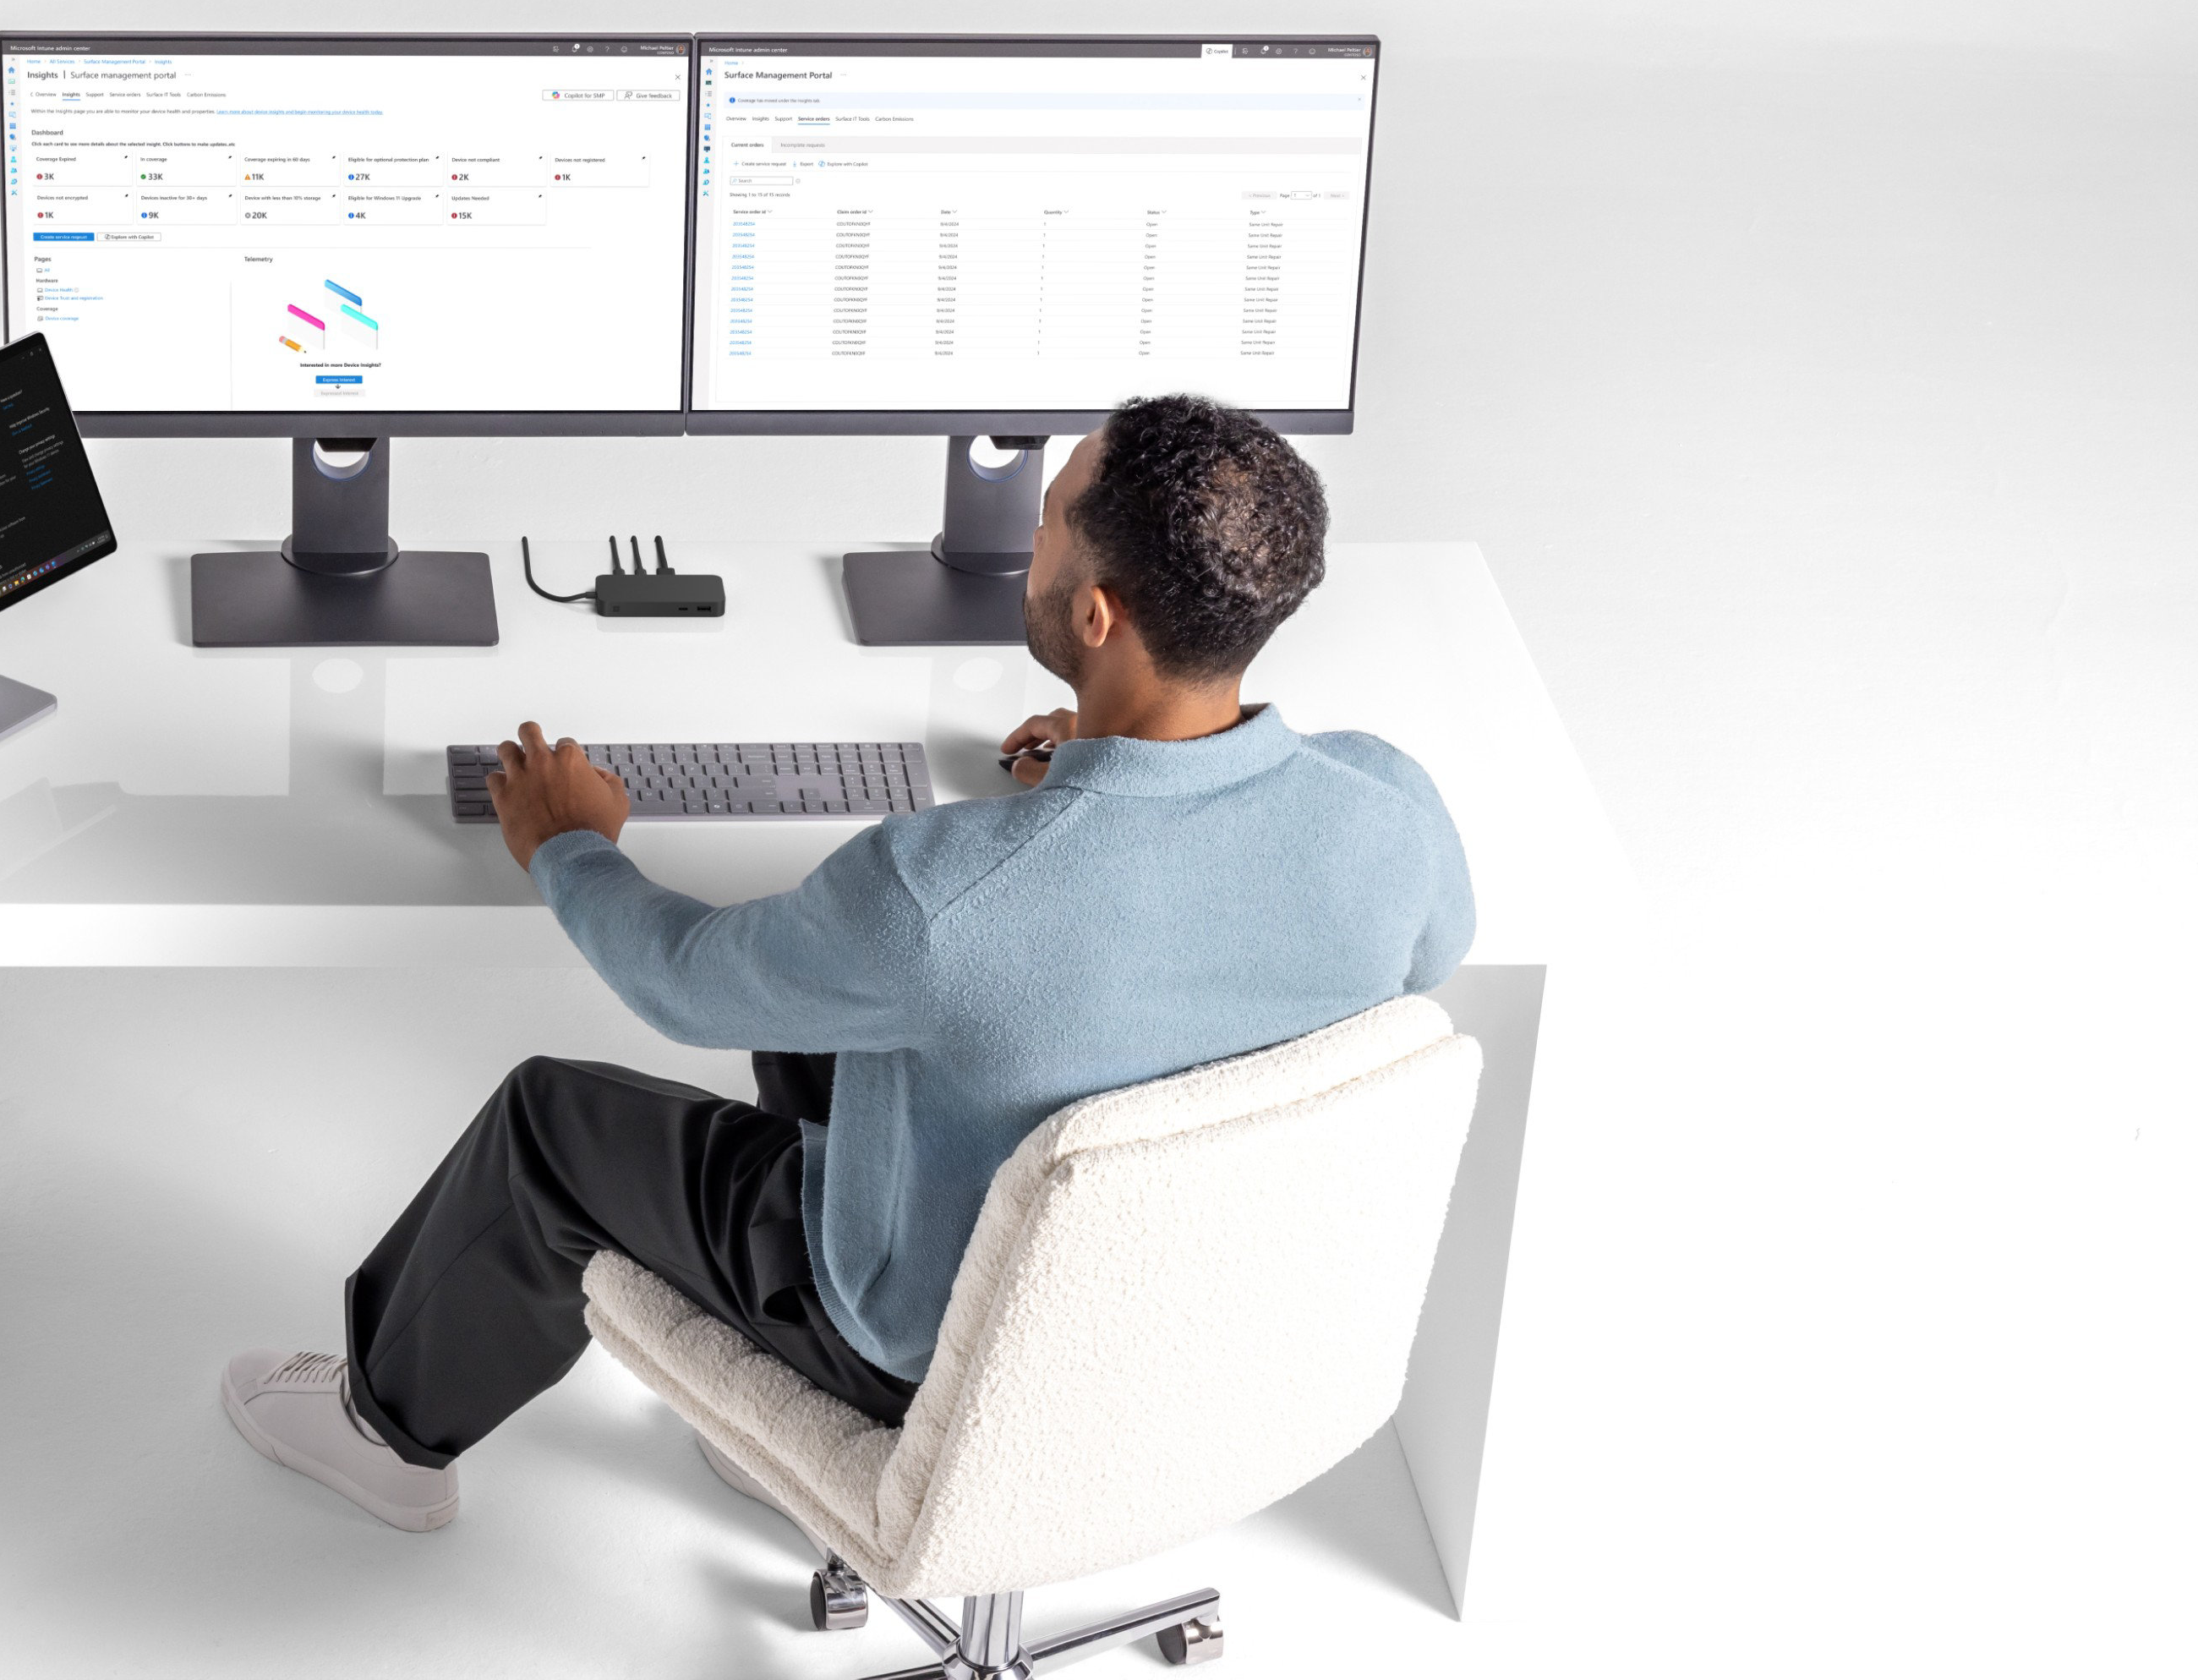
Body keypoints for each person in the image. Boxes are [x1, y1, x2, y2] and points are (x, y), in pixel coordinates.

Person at [219, 394, 1474, 1532]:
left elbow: (685, 980)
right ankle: (751, 1406)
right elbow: (1389, 955)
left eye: (1049, 524)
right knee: (828, 1001)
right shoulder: (1394, 813)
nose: (1031, 543)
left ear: (1096, 616)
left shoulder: (939, 898)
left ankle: (380, 1428)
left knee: (547, 1124)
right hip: (1191, 1317)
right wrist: (1104, 763)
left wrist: (569, 847)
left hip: (933, 1351)